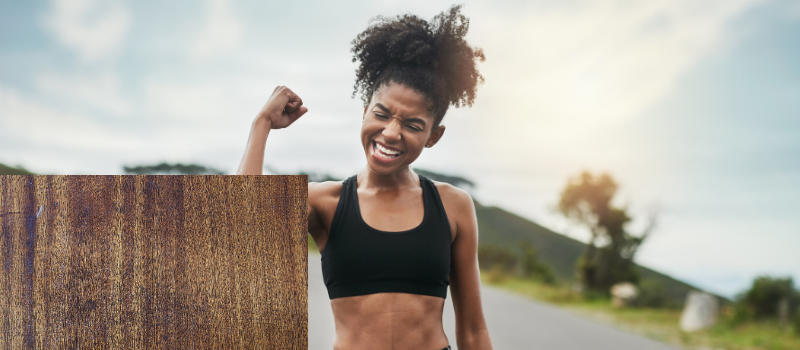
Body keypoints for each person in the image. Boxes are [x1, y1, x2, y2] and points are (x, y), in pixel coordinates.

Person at [237, 5, 493, 350]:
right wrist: (261, 125)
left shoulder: (453, 206)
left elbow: (474, 332)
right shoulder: (324, 203)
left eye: (413, 125)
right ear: (364, 111)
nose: (390, 132)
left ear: (434, 135)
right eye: (381, 113)